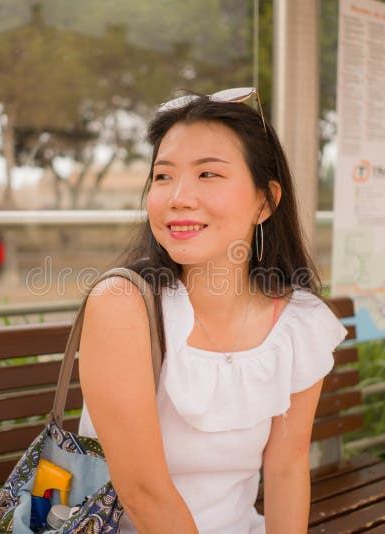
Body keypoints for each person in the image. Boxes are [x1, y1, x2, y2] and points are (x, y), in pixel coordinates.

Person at [77, 88, 348, 533]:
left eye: (208, 174)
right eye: (163, 177)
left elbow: (286, 468)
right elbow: (144, 494)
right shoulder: (123, 306)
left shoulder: (299, 321)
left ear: (266, 200)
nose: (178, 197)